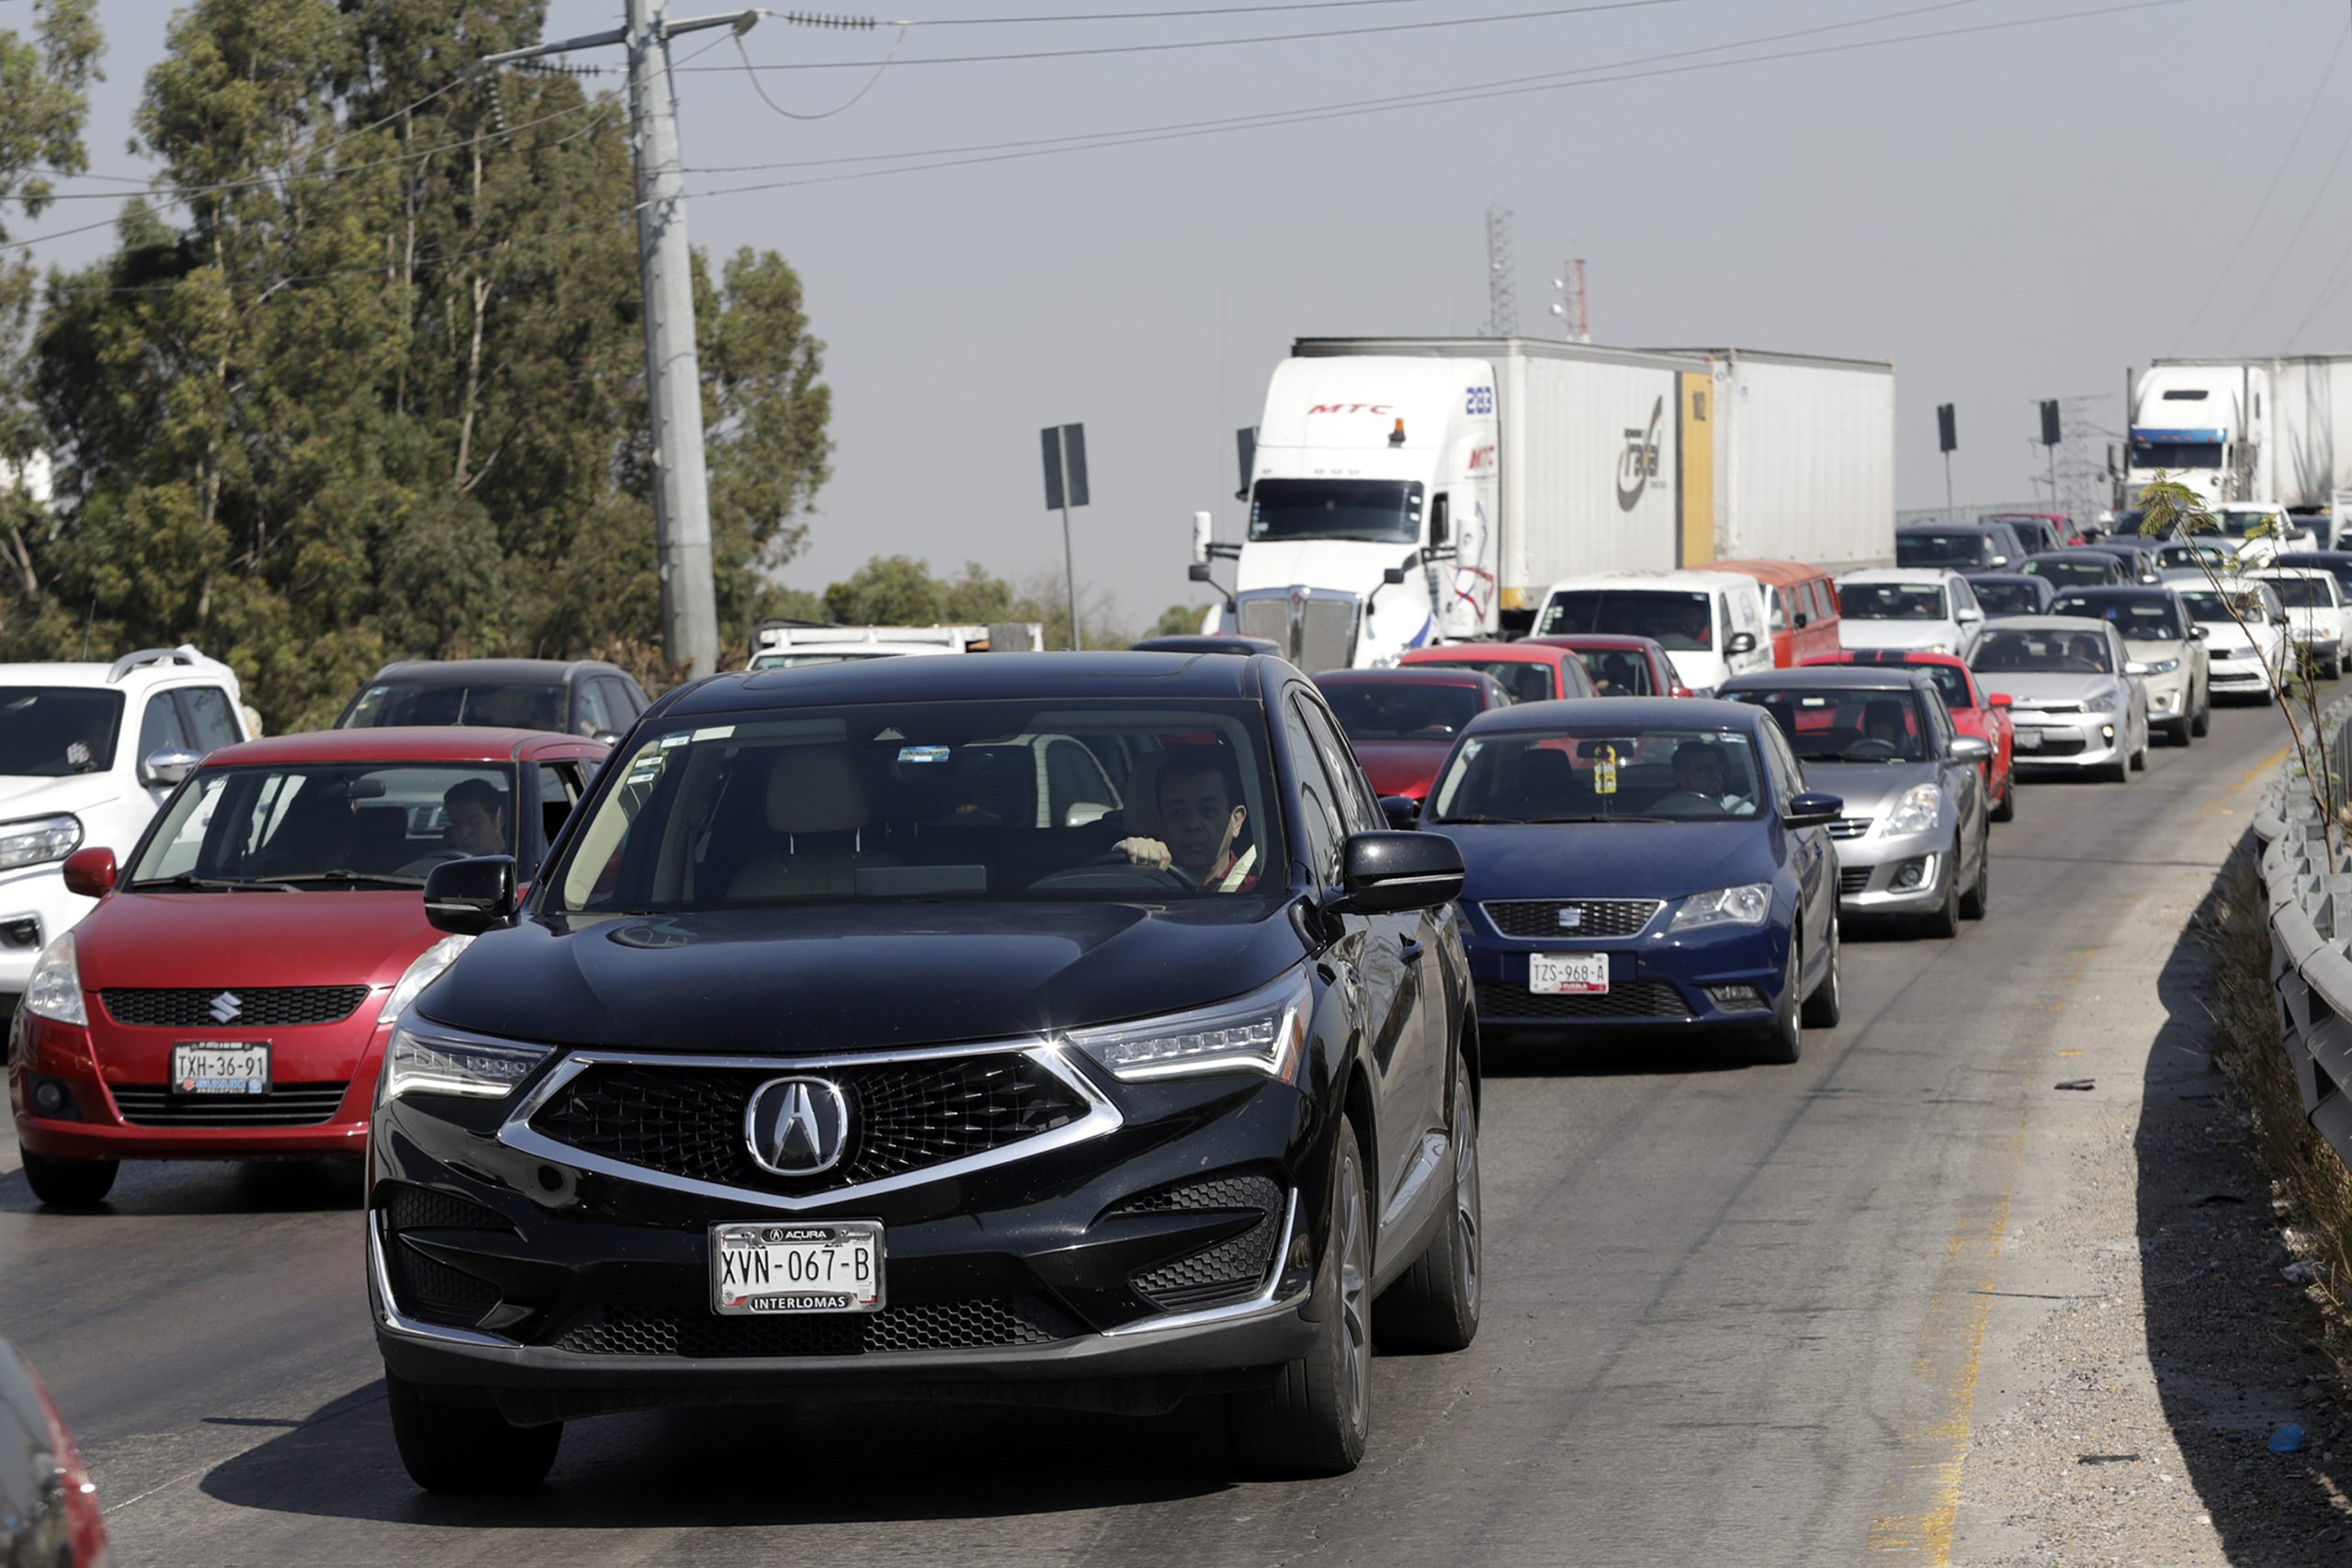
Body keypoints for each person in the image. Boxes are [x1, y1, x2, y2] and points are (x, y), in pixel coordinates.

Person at [1114, 750, 1257, 890]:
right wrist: (1126, 860)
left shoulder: (1259, 892)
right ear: (1161, 822)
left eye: (1208, 810)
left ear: (1236, 820)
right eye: (1178, 812)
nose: (1192, 824)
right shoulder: (1137, 886)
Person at [1666, 739, 1754, 816]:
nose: (1713, 774)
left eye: (1715, 767)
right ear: (1682, 779)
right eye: (1702, 770)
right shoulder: (1669, 811)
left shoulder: (1740, 808)